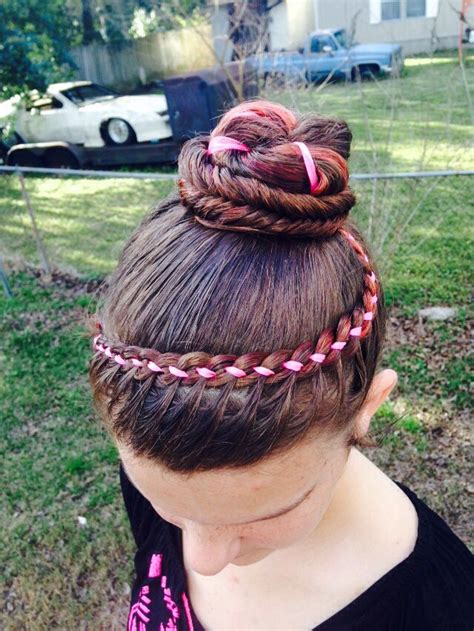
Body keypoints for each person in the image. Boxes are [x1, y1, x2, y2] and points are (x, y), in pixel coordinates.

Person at [87, 100, 473, 631]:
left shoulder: (440, 610)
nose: (201, 557)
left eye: (263, 516)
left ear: (369, 407)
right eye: (169, 509)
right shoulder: (163, 475)